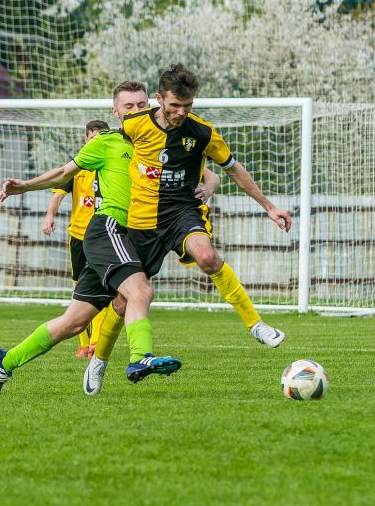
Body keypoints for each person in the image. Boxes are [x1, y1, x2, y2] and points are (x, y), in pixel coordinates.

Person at [0, 81, 218, 395]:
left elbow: (211, 170)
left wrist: (210, 186)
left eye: (141, 104)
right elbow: (62, 173)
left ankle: (6, 362)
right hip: (109, 228)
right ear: (116, 112)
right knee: (141, 291)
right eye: (128, 106)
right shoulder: (106, 142)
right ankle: (141, 358)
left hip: (139, 235)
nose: (136, 110)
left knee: (74, 323)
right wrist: (24, 186)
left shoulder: (165, 140)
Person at [83, 63, 293, 394]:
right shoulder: (134, 125)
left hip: (182, 213)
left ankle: (256, 324)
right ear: (159, 99)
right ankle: (100, 360)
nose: (181, 112)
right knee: (124, 302)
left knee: (208, 258)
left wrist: (269, 206)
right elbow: (113, 154)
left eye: (188, 105)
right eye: (174, 105)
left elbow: (233, 169)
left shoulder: (203, 132)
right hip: (141, 222)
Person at [42, 119, 111, 358]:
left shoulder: (109, 164)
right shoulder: (77, 166)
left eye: (100, 138)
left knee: (102, 289)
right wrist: (50, 216)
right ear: (86, 139)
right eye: (92, 138)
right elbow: (58, 193)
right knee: (80, 291)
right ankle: (84, 345)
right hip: (78, 237)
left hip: (104, 235)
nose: (95, 142)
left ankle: (95, 344)